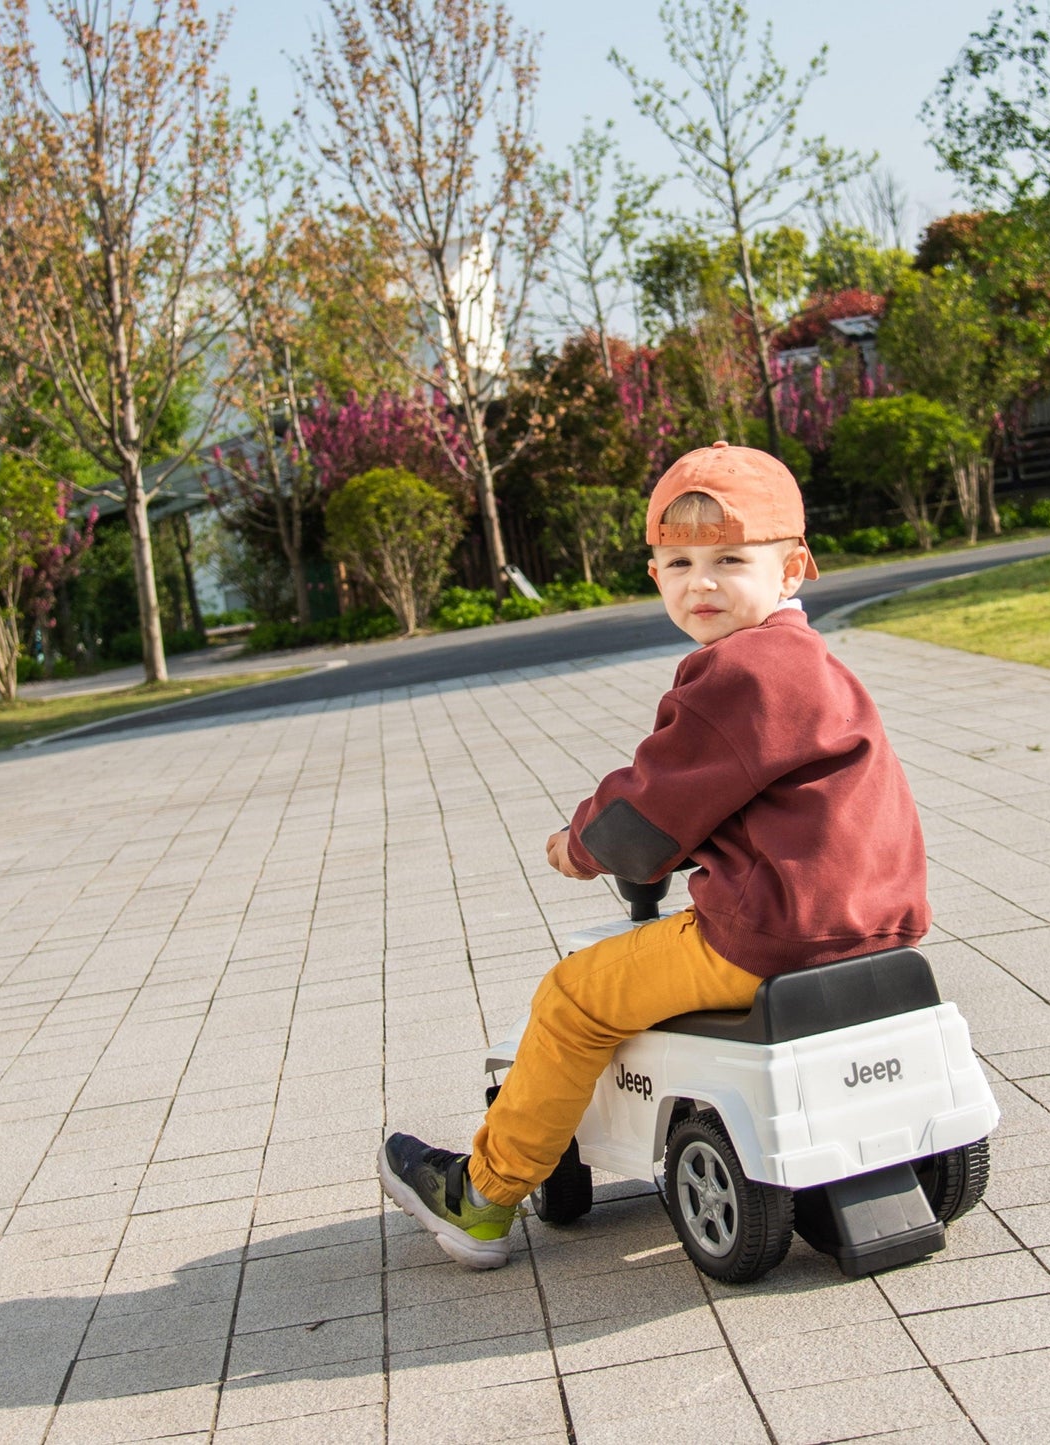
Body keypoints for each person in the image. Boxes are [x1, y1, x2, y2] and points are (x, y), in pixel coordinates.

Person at [378, 440, 929, 1269]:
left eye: (729, 559)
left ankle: (482, 1196)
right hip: (874, 921)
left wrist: (581, 844)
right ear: (654, 574)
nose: (700, 582)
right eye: (678, 561)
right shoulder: (813, 667)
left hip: (765, 933)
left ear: (792, 569)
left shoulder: (739, 671)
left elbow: (650, 803)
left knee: (572, 996)